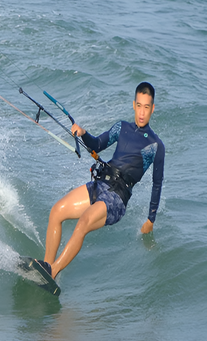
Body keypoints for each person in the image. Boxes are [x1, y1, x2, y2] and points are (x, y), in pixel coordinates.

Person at [37, 82, 165, 279]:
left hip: (118, 197)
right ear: (134, 104)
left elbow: (157, 184)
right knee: (57, 211)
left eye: (146, 107)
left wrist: (151, 219)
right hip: (101, 183)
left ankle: (52, 272)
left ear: (152, 109)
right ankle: (45, 266)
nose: (141, 112)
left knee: (84, 221)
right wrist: (83, 133)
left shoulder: (155, 145)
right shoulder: (121, 127)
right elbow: (97, 144)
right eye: (139, 105)